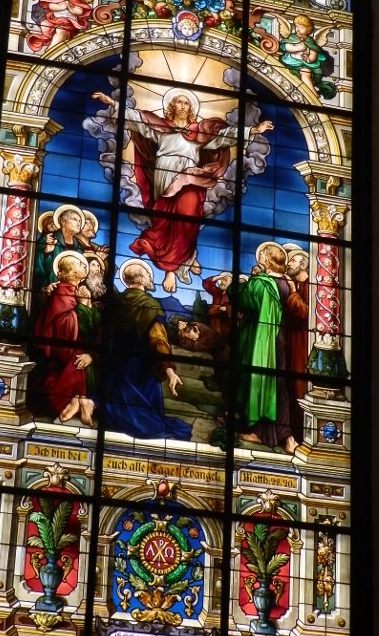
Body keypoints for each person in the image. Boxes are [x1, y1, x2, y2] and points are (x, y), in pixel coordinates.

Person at [93, 88, 273, 292]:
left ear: (191, 109)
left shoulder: (201, 132)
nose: (183, 106)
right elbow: (137, 120)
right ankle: (174, 265)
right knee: (165, 221)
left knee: (186, 219)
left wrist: (253, 130)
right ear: (171, 106)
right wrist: (113, 104)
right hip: (164, 174)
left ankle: (176, 263)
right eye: (179, 102)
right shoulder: (160, 128)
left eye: (187, 103)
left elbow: (225, 136)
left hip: (190, 178)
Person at [102, 259, 191, 440]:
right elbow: (158, 341)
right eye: (149, 275)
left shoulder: (116, 303)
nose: (151, 278)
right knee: (147, 420)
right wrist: (169, 370)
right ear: (141, 280)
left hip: (117, 367)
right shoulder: (151, 305)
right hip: (142, 369)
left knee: (117, 408)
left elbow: (104, 335)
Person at [234, 242, 298, 454]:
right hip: (280, 339)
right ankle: (287, 437)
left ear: (268, 260)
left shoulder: (263, 284)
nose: (259, 255)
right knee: (278, 387)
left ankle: (262, 434)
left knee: (262, 383)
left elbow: (243, 299)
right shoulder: (286, 283)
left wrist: (245, 283)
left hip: (265, 341)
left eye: (262, 253)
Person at [31, 251, 95, 425]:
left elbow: (91, 323)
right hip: (65, 350)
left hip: (78, 347)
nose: (85, 265)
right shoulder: (61, 290)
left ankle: (79, 402)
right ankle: (80, 402)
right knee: (64, 381)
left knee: (78, 368)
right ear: (72, 272)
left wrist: (87, 306)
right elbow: (61, 322)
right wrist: (83, 307)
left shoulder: (77, 291)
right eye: (80, 264)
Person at [282, 243, 310, 444]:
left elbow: (306, 312)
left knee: (300, 387)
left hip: (303, 345)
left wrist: (292, 292)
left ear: (303, 264)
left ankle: (302, 435)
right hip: (291, 344)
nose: (289, 264)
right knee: (290, 387)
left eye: (292, 260)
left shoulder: (310, 286)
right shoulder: (297, 286)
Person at [26, 0, 91, 53]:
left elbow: (80, 11)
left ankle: (50, 50)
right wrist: (61, 7)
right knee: (52, 28)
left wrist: (71, 8)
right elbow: (50, 6)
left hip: (70, 22)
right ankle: (50, 49)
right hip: (55, 19)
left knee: (62, 31)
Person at [279, 15, 337, 100]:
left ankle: (313, 93)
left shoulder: (311, 42)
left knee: (305, 72)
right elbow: (286, 46)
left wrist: (308, 59)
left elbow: (314, 53)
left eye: (301, 27)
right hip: (292, 62)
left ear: (308, 30)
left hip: (306, 65)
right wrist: (297, 49)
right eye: (297, 26)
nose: (298, 29)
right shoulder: (292, 37)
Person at [202, 271, 232, 340]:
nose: (222, 282)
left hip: (225, 320)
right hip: (214, 318)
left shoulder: (233, 295)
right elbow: (206, 285)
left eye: (225, 280)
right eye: (221, 280)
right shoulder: (216, 291)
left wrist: (226, 308)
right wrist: (217, 277)